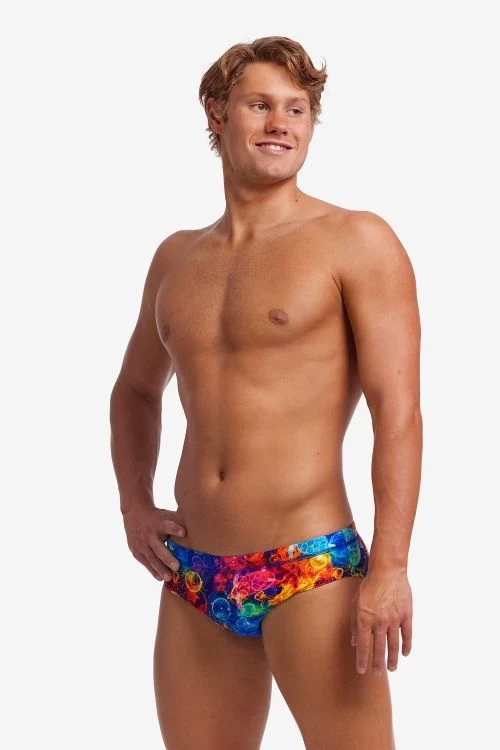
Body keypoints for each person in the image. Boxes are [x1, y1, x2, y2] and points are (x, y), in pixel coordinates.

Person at [109, 35, 422, 750]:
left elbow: (398, 414)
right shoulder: (176, 257)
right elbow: (134, 390)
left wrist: (392, 567)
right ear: (217, 114)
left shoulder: (355, 241)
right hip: (194, 575)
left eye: (297, 109)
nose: (281, 123)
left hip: (310, 567)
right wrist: (134, 503)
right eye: (260, 105)